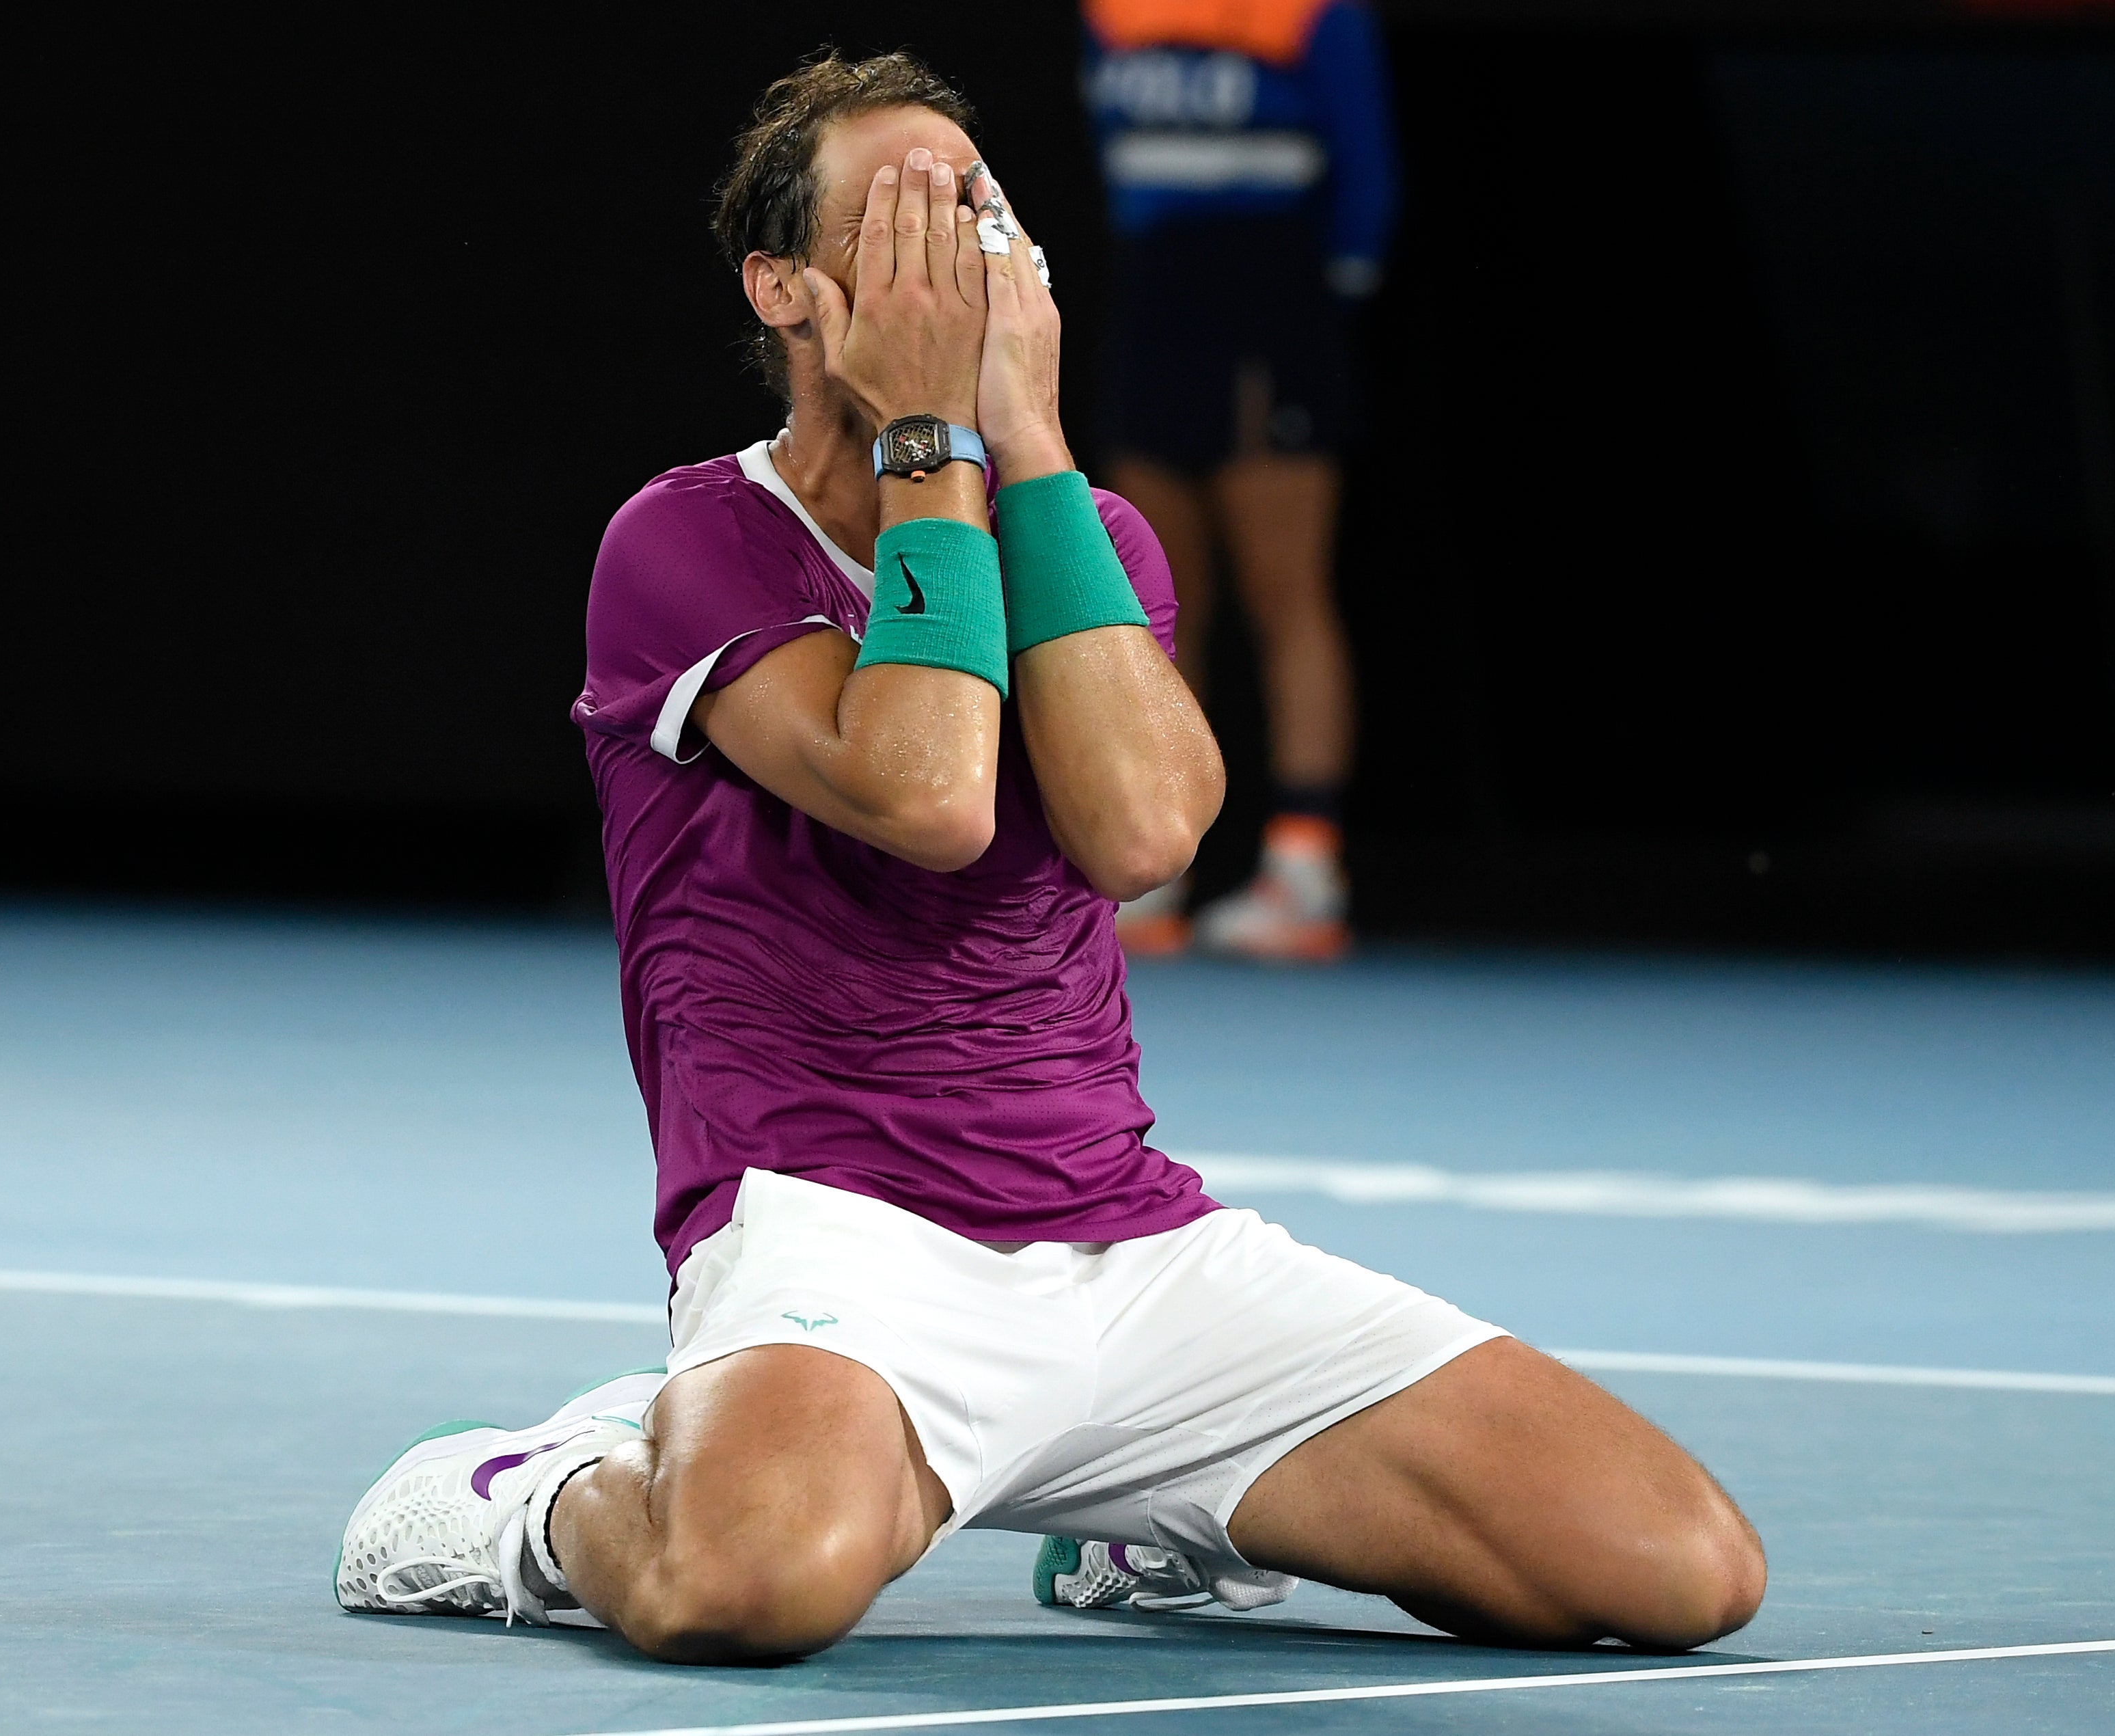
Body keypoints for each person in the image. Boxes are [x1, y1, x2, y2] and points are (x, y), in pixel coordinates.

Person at [333, 51, 1763, 1666]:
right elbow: (928, 793)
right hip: (835, 1240)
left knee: (1673, 1568)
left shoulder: (1092, 536)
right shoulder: (680, 544)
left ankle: (1137, 1515)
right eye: (902, 218)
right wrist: (941, 424)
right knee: (744, 1589)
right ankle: (548, 1487)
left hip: (1136, 1249)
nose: (960, 250)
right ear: (785, 290)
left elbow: (1148, 833)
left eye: (980, 209)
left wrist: (1024, 439)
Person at [1082, 0, 1399, 962]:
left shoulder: (1319, 12)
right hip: (1158, 297)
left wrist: (1313, 310)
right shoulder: (1110, 10)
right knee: (1152, 606)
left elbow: (1368, 175)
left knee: (1283, 591)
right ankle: (1155, 867)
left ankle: (1304, 871)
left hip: (1271, 298)